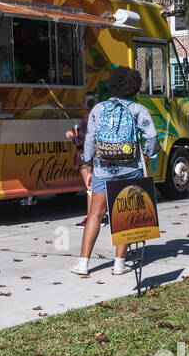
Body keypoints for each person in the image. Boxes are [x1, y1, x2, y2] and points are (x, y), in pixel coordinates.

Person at [71, 67, 157, 276]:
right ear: (134, 87)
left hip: (103, 169)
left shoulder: (98, 109)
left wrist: (88, 164)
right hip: (131, 169)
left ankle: (83, 263)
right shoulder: (138, 109)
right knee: (125, 214)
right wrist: (146, 155)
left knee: (95, 214)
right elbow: (152, 136)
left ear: (113, 85)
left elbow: (90, 139)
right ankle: (119, 264)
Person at [65, 92, 98, 226]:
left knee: (89, 187)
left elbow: (83, 139)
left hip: (85, 155)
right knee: (96, 186)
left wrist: (72, 136)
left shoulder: (86, 118)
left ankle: (91, 218)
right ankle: (98, 215)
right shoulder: (98, 116)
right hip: (97, 154)